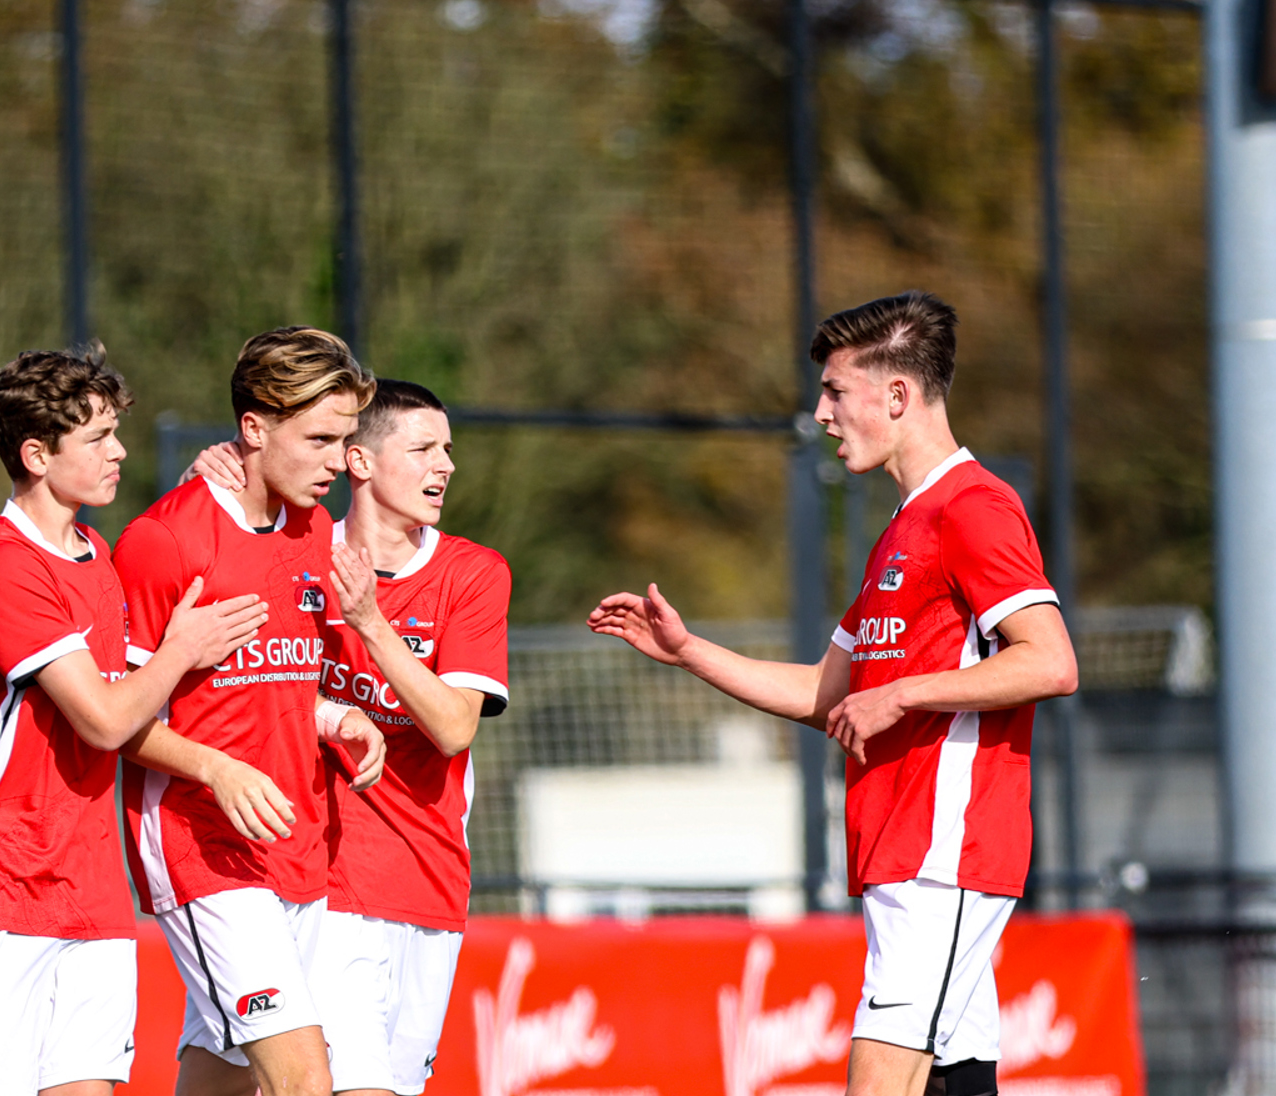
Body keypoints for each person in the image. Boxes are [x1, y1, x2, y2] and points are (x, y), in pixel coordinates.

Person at [587, 292, 1079, 1096]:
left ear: (898, 395)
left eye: (835, 391)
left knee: (879, 1077)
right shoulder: (904, 528)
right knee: (954, 1082)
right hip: (902, 853)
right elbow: (828, 691)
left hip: (943, 855)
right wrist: (689, 652)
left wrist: (904, 695)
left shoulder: (974, 508)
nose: (820, 413)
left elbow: (1051, 661)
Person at [0, 348, 273, 1096]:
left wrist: (202, 492)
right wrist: (182, 649)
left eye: (117, 432)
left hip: (93, 894)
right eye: (97, 438)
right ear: (36, 455)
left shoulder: (99, 555)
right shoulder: (2, 564)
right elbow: (107, 721)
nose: (119, 451)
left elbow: (135, 694)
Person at [188, 379, 510, 1096]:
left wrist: (369, 622)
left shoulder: (472, 573)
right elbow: (242, 673)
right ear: (360, 462)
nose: (446, 465)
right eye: (423, 449)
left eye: (448, 449)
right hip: (314, 881)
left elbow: (454, 727)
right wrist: (204, 478)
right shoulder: (297, 550)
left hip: (428, 883)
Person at [118, 327, 388, 1096]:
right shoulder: (163, 540)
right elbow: (115, 719)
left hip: (296, 845)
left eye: (345, 440)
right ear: (253, 428)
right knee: (304, 1079)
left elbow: (281, 681)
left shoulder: (313, 529)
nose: (338, 462)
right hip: (204, 848)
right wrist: (216, 770)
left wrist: (336, 719)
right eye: (320, 440)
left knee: (224, 1079)